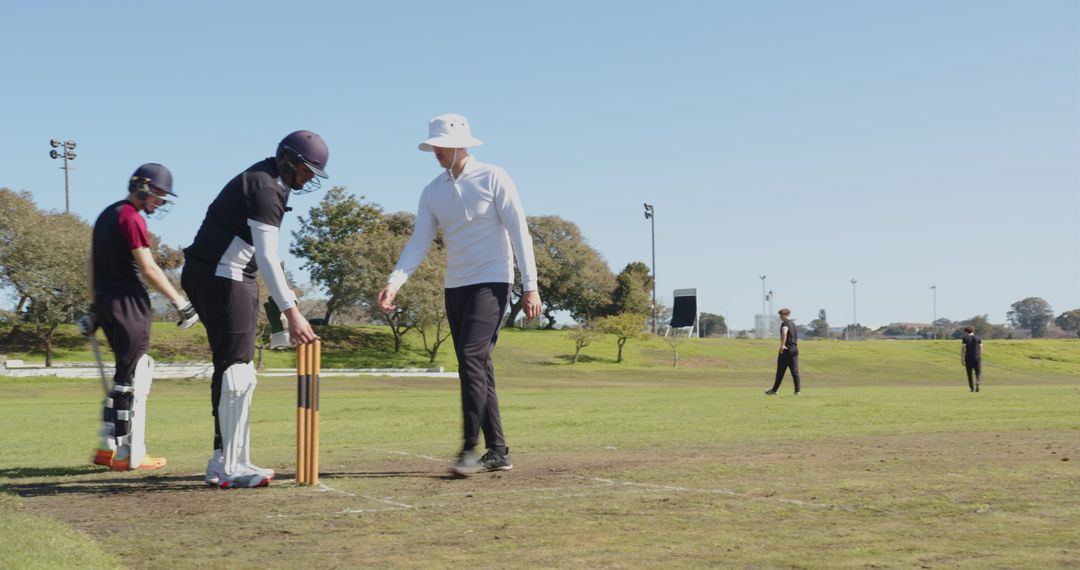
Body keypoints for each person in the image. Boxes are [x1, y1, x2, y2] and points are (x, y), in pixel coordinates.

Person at [378, 113, 542, 476]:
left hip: (493, 281)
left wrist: (530, 286)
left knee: (470, 359)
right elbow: (418, 242)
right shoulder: (432, 191)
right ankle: (498, 451)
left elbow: (520, 232)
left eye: (442, 146)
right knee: (478, 366)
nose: (436, 151)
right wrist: (395, 281)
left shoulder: (494, 176)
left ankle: (469, 448)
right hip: (456, 286)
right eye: (433, 146)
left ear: (461, 144)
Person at [181, 131, 326, 488]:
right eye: (306, 170)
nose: (308, 178)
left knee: (237, 370)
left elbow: (262, 259)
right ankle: (228, 466)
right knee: (237, 372)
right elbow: (266, 256)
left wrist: (285, 304)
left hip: (222, 275)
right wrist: (292, 312)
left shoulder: (268, 179)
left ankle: (228, 459)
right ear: (288, 159)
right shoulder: (266, 189)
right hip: (222, 276)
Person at [79, 163, 200, 471]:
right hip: (129, 302)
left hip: (107, 302)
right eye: (158, 194)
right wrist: (180, 303)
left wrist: (95, 307)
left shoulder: (107, 214)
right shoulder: (131, 218)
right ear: (143, 187)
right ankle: (126, 454)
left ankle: (107, 446)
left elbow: (92, 264)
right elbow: (148, 268)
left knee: (123, 374)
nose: (160, 201)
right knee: (131, 379)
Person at [765, 308, 800, 396]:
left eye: (780, 315)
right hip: (795, 349)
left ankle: (774, 390)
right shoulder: (793, 324)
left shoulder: (785, 323)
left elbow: (784, 332)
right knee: (795, 371)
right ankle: (797, 391)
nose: (780, 317)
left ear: (784, 315)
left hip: (787, 349)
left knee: (780, 370)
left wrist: (782, 345)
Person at [961, 325, 982, 392]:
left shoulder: (965, 338)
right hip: (976, 357)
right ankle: (978, 381)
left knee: (969, 374)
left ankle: (971, 387)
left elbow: (963, 348)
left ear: (966, 331)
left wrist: (962, 358)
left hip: (968, 357)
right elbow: (981, 348)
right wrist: (979, 355)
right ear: (973, 330)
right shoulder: (978, 338)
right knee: (977, 372)